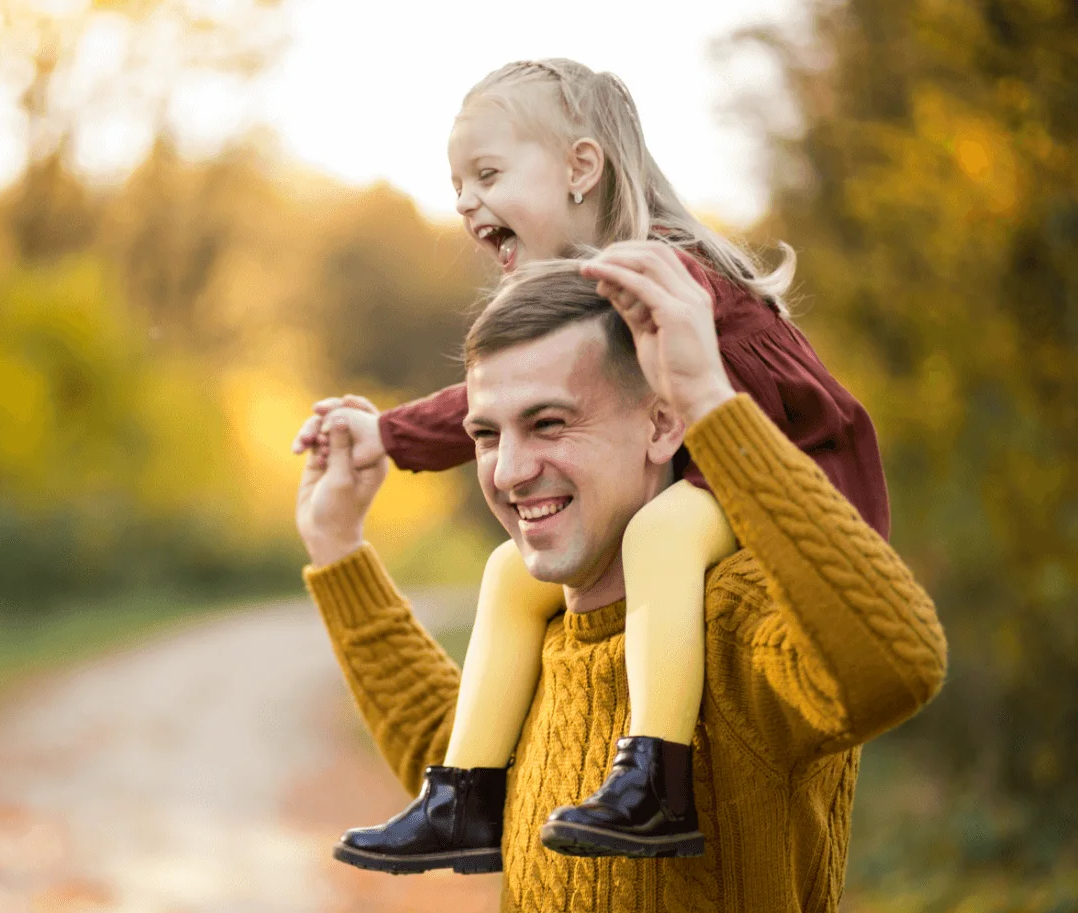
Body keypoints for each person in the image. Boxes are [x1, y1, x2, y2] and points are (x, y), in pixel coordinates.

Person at [296, 244, 946, 913]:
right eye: (487, 434)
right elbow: (453, 760)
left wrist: (716, 407)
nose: (509, 470)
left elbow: (895, 664)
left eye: (550, 423)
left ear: (663, 425)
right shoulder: (539, 624)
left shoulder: (739, 618)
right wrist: (338, 545)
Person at [294, 59, 890, 870]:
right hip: (713, 478)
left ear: (581, 167)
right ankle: (464, 793)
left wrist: (394, 434)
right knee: (510, 571)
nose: (465, 201)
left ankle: (657, 778)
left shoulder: (661, 274)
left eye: (488, 174)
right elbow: (512, 397)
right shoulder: (596, 291)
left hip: (791, 478)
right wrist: (390, 435)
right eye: (457, 183)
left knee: (658, 535)